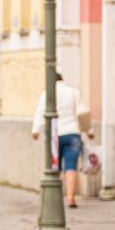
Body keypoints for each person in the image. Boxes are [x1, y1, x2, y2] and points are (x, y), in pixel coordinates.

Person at [31, 72, 92, 208]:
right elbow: (82, 113)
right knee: (71, 166)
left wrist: (35, 130)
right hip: (72, 133)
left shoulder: (47, 94)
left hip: (54, 135)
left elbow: (40, 111)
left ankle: (54, 197)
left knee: (54, 167)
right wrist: (89, 131)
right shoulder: (73, 92)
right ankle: (70, 198)